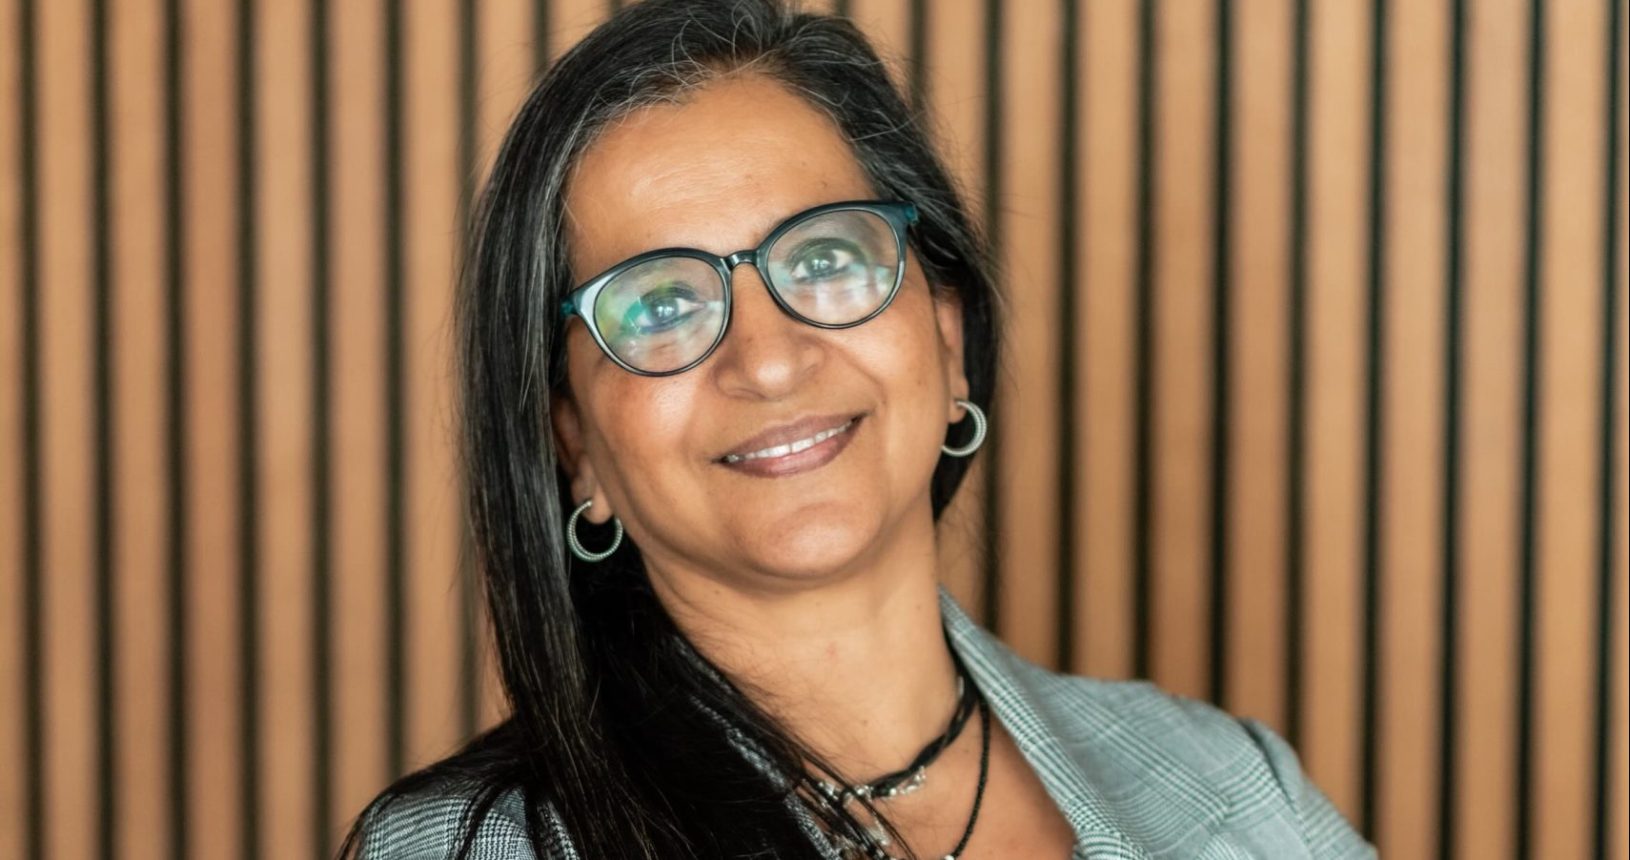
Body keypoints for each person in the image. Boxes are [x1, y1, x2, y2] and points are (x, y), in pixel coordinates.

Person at [341, 1, 1375, 857]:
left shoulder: (1230, 783)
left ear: (947, 339)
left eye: (826, 258)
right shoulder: (469, 847)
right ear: (575, 447)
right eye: (659, 305)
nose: (768, 359)